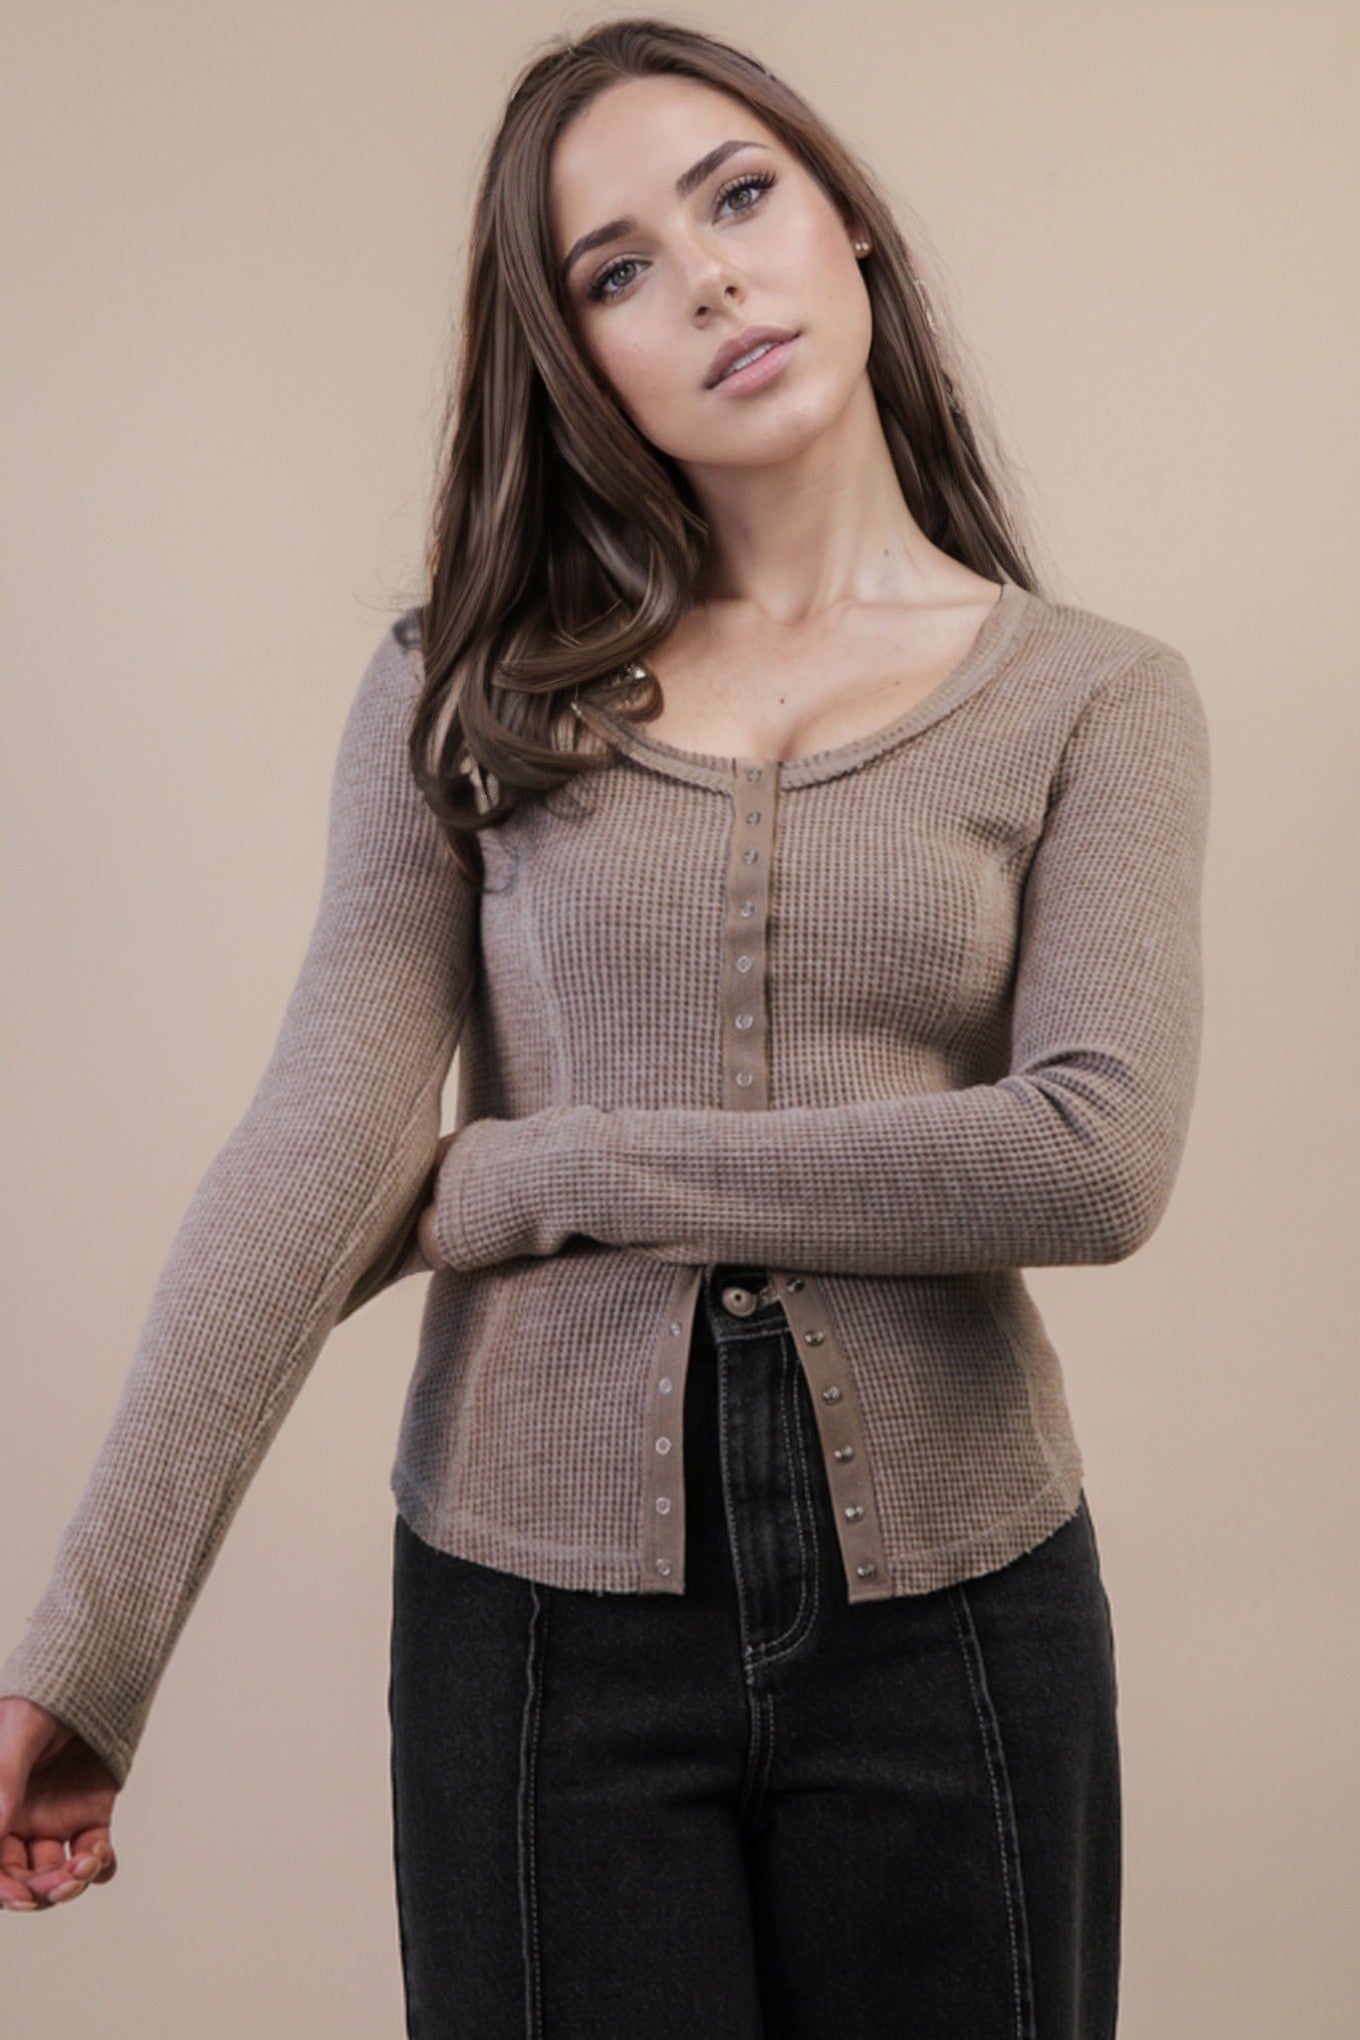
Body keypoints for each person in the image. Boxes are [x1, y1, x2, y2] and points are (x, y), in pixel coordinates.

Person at [0, 17, 1211, 2037]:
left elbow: (1090, 1156)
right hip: (538, 1639)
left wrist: (557, 1169)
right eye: (619, 269)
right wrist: (86, 1652)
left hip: (960, 1622)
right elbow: (316, 1149)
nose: (711, 278)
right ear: (577, 359)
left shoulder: (1096, 700)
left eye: (739, 197)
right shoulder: (464, 691)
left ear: (846, 223)